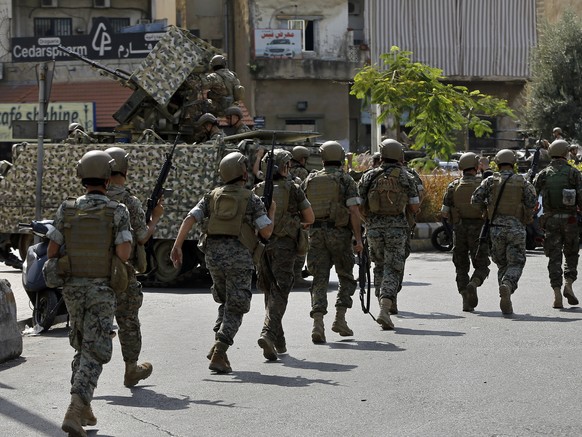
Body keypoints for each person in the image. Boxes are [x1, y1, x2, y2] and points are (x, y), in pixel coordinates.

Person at [46, 150, 132, 437]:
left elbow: (52, 251)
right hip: (100, 289)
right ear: (108, 178)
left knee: (83, 345)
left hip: (72, 288)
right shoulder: (117, 210)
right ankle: (75, 405)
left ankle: (85, 408)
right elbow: (123, 252)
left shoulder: (66, 208)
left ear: (81, 175)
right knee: (98, 348)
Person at [170, 151, 275, 373]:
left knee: (226, 301)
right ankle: (220, 349)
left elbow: (190, 218)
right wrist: (271, 212)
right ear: (244, 173)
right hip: (239, 257)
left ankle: (219, 342)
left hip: (212, 255)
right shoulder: (252, 199)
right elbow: (266, 231)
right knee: (237, 306)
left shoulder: (211, 196)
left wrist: (177, 245)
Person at [104, 147, 163, 387]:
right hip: (121, 271)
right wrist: (155, 219)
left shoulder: (90, 198)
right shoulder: (129, 202)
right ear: (125, 169)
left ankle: (83, 373)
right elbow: (141, 237)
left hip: (91, 270)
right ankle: (131, 369)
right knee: (128, 320)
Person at [253, 149, 314, 360]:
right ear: (281, 168)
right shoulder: (293, 189)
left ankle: (278, 340)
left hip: (262, 246)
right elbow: (310, 217)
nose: (289, 168)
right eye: (287, 165)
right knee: (281, 290)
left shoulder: (257, 189)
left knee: (269, 290)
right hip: (285, 247)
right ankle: (269, 334)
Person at [302, 140, 363, 343]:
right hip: (339, 234)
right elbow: (354, 211)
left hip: (316, 235)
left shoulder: (310, 179)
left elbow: (302, 209)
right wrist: (358, 239)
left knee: (319, 279)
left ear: (323, 158)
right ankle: (340, 318)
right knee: (345, 276)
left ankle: (317, 324)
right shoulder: (346, 180)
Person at [358, 139, 420, 329]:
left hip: (374, 229)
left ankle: (382, 304)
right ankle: (385, 308)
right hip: (397, 229)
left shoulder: (369, 176)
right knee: (393, 268)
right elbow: (415, 206)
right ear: (400, 156)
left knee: (379, 266)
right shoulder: (406, 177)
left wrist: (368, 221)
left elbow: (358, 205)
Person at [471, 149, 537, 315]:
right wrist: (527, 214)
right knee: (515, 263)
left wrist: (486, 211)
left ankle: (505, 290)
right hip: (516, 228)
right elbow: (532, 202)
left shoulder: (490, 181)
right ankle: (507, 285)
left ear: (497, 163)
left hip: (496, 228)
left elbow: (475, 199)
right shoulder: (522, 181)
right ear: (513, 163)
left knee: (502, 263)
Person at [533, 139, 582, 309]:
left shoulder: (544, 174)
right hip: (570, 220)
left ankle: (556, 294)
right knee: (571, 254)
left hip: (551, 220)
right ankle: (568, 283)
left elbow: (532, 195)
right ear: (565, 153)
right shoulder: (574, 173)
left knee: (554, 257)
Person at [441, 152, 490, 312]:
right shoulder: (483, 185)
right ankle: (474, 283)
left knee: (461, 266)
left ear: (461, 167)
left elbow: (444, 213)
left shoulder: (453, 186)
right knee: (482, 265)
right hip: (479, 232)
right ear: (476, 167)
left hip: (459, 230)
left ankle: (465, 298)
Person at [288, 145, 312, 287]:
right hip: (299, 212)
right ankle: (296, 275)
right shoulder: (302, 172)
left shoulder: (286, 169)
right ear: (302, 159)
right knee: (301, 243)